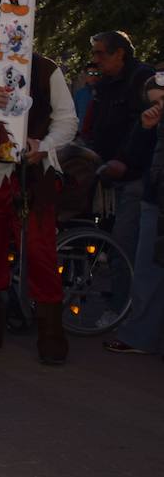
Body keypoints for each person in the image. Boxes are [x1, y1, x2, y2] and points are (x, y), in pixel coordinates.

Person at [0, 0, 79, 364]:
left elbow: (67, 119)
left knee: (40, 254)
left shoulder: (44, 68)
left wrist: (46, 144)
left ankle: (51, 336)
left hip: (32, 176)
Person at [82, 30, 154, 314]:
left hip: (135, 176)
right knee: (111, 243)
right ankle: (121, 301)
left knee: (125, 246)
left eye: (100, 53)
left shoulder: (141, 80)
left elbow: (143, 129)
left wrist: (124, 160)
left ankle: (127, 312)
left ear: (119, 53)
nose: (95, 60)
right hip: (108, 173)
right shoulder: (107, 84)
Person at [105, 75, 164, 354]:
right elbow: (132, 157)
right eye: (155, 102)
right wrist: (145, 128)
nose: (159, 107)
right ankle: (138, 336)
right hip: (154, 201)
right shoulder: (151, 123)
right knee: (146, 271)